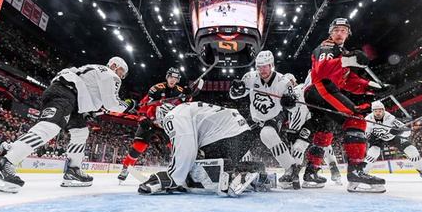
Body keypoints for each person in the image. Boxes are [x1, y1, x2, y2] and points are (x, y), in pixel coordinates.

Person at [0, 57, 135, 193]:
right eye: (122, 72)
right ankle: (5, 164)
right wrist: (127, 105)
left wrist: (92, 108)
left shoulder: (95, 70)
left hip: (69, 97)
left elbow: (91, 96)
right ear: (115, 66)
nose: (121, 77)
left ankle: (73, 170)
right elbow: (112, 103)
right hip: (67, 94)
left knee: (80, 132)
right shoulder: (110, 74)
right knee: (50, 126)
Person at [303, 17, 390, 193]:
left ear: (348, 33)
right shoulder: (327, 47)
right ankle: (356, 172)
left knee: (324, 132)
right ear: (330, 32)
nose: (339, 33)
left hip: (319, 92)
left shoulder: (342, 52)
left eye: (343, 30)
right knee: (356, 118)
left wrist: (373, 87)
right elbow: (322, 71)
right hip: (321, 89)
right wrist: (348, 61)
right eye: (336, 30)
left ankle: (311, 173)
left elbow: (348, 81)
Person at [138, 102, 269, 197]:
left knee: (199, 169)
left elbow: (186, 147)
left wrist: (172, 177)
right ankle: (255, 172)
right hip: (241, 132)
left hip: (226, 136)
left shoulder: (172, 116)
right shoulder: (188, 109)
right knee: (210, 162)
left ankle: (233, 177)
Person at [229, 50, 301, 189]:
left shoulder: (283, 82)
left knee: (267, 134)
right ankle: (242, 170)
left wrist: (290, 103)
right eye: (259, 66)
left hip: (274, 116)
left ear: (271, 65)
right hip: (254, 117)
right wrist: (235, 91)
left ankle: (291, 168)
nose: (262, 70)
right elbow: (235, 96)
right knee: (239, 138)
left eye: (265, 66)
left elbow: (293, 107)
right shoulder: (249, 77)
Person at [117, 67, 202, 182]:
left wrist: (188, 96)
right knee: (139, 146)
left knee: (177, 147)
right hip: (151, 120)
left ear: (178, 80)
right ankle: (125, 168)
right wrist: (142, 117)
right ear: (167, 77)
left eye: (176, 78)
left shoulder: (180, 91)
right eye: (171, 77)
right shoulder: (156, 89)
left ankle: (184, 171)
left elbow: (186, 106)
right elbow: (144, 104)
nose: (173, 80)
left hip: (168, 124)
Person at [364, 101, 422, 181]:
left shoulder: (390, 119)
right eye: (375, 111)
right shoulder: (367, 120)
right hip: (378, 139)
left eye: (380, 111)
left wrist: (400, 131)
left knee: (412, 150)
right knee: (374, 152)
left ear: (383, 110)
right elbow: (365, 134)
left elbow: (407, 132)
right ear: (372, 111)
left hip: (392, 137)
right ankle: (363, 173)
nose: (378, 113)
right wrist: (370, 138)